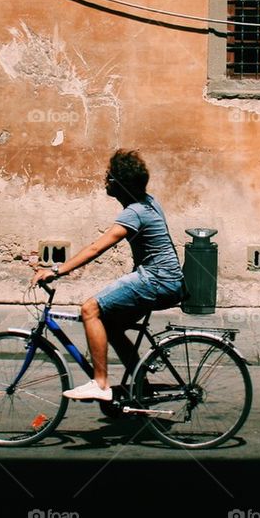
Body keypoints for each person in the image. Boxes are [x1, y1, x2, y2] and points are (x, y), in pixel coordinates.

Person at [30, 149, 184, 401]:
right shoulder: (148, 201)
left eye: (110, 177)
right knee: (110, 324)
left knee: (90, 309)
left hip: (156, 279)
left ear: (120, 184)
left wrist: (56, 271)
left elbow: (96, 248)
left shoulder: (134, 212)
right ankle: (140, 384)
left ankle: (100, 384)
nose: (106, 181)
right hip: (165, 279)